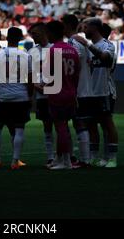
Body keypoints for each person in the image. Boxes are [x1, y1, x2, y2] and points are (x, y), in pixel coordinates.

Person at [72, 17, 119, 168]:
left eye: (86, 27)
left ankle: (111, 158)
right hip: (89, 92)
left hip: (104, 91)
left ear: (94, 27)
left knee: (107, 124)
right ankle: (93, 156)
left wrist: (86, 43)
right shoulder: (84, 47)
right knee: (91, 124)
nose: (83, 30)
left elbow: (105, 57)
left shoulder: (107, 45)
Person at [0, 27, 33, 170]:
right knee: (19, 129)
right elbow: (30, 79)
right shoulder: (25, 55)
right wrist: (29, 96)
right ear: (20, 39)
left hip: (4, 97)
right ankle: (15, 161)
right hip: (21, 96)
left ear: (6, 38)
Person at [44, 21, 80, 170]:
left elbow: (48, 75)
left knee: (61, 128)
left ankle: (65, 162)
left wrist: (43, 88)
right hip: (71, 92)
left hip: (57, 93)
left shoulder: (53, 50)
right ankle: (63, 159)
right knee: (64, 127)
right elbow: (77, 74)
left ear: (52, 33)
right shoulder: (73, 50)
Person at [62, 14, 92, 168]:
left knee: (78, 124)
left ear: (66, 25)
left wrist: (72, 87)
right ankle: (81, 158)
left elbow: (76, 65)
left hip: (77, 91)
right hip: (85, 89)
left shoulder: (74, 42)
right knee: (79, 124)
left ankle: (84, 160)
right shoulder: (82, 42)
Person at [28, 23, 55, 165]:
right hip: (41, 95)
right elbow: (31, 74)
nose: (33, 36)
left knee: (61, 124)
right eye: (32, 34)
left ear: (44, 32)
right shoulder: (32, 51)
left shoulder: (54, 48)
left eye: (35, 33)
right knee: (47, 126)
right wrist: (35, 87)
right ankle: (51, 156)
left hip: (56, 93)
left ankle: (66, 155)